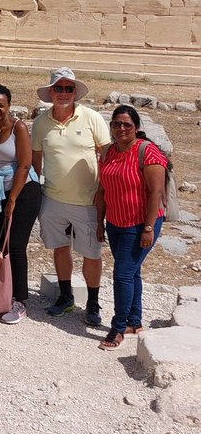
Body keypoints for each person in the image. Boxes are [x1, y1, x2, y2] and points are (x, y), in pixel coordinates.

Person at [31, 67, 111, 326]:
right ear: (51, 92)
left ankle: (92, 302)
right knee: (60, 248)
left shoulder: (92, 118)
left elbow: (107, 156)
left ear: (75, 92)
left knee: (92, 253)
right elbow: (35, 162)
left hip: (87, 200)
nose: (63, 93)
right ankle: (66, 297)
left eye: (68, 88)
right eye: (58, 88)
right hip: (53, 197)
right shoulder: (41, 122)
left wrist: (104, 193)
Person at [95, 105, 167, 349]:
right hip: (115, 222)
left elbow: (156, 191)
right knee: (132, 272)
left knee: (123, 274)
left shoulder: (147, 152)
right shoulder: (107, 152)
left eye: (127, 124)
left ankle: (117, 328)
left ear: (136, 127)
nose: (122, 128)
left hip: (140, 223)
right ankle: (134, 322)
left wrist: (148, 228)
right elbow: (102, 189)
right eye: (117, 124)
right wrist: (99, 222)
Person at [0, 85, 41, 324]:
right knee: (0, 245)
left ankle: (20, 301)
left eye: (1, 105)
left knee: (16, 246)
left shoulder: (19, 128)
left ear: (9, 105)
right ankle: (2, 294)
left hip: (24, 190)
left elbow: (25, 165)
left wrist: (13, 199)